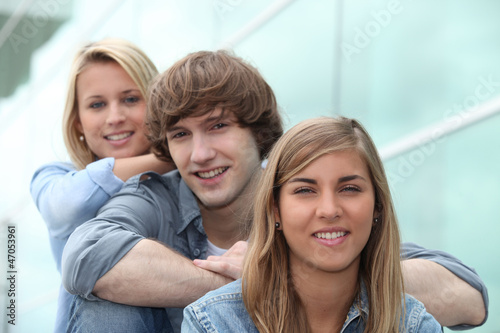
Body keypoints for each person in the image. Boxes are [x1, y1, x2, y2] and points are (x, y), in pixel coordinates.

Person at [61, 50, 488, 333]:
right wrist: (259, 283)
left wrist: (305, 277)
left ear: (258, 133)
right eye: (180, 135)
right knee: (107, 305)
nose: (201, 153)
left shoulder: (304, 197)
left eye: (218, 126)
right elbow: (86, 257)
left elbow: (468, 299)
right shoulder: (155, 198)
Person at [181, 116, 441, 332]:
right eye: (305, 190)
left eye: (349, 188)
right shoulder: (214, 323)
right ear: (275, 210)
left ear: (377, 206)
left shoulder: (415, 326)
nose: (329, 210)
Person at [30, 38, 174, 333]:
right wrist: (172, 157)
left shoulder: (193, 181)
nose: (115, 117)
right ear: (78, 122)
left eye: (131, 99)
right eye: (97, 104)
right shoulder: (54, 177)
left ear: (157, 104)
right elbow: (67, 205)